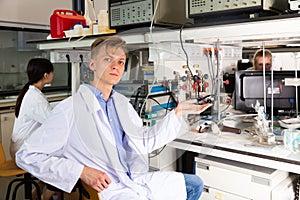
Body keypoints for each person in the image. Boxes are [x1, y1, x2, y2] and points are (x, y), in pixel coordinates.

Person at [16, 36, 208, 199]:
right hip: (109, 189)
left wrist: (178, 112)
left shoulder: (121, 104)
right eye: (108, 59)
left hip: (131, 177)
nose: (115, 66)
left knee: (194, 184)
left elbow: (143, 142)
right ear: (92, 64)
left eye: (120, 62)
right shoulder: (70, 109)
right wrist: (81, 172)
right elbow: (27, 155)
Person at [9, 58, 60, 200]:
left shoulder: (32, 93)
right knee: (58, 167)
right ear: (46, 75)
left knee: (55, 159)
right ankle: (44, 197)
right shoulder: (35, 97)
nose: (52, 75)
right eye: (51, 72)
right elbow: (53, 123)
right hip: (22, 152)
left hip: (21, 148)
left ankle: (35, 195)